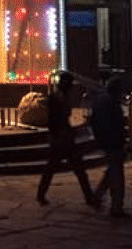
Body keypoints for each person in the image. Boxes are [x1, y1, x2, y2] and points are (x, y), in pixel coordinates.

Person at [36, 70, 99, 208]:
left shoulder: (60, 96)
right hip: (61, 138)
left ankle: (41, 194)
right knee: (72, 169)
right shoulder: (57, 98)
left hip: (63, 137)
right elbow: (55, 119)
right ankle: (88, 197)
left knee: (64, 169)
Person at [91, 76, 130, 218]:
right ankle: (116, 207)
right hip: (113, 142)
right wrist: (123, 142)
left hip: (105, 141)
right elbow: (118, 126)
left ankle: (97, 196)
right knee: (117, 175)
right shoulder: (112, 103)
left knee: (112, 171)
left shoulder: (100, 101)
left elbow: (94, 121)